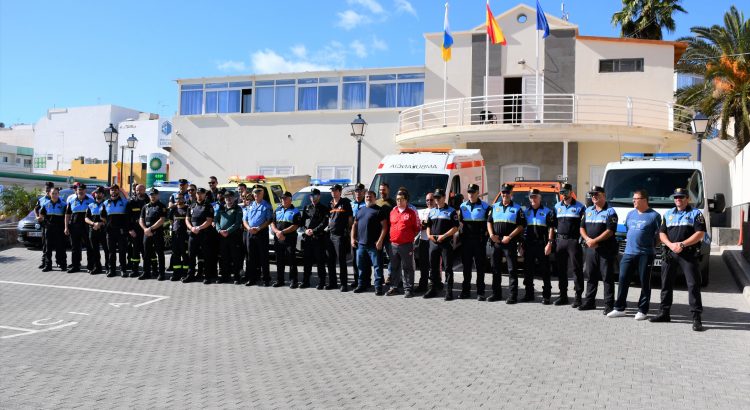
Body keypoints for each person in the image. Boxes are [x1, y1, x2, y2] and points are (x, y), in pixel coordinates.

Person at [650, 188, 707, 331]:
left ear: (687, 199)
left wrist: (682, 244)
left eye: (681, 197)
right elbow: (662, 233)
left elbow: (700, 233)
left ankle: (696, 318)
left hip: (688, 254)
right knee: (666, 284)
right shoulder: (668, 214)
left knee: (693, 285)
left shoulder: (696, 213)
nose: (678, 199)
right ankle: (664, 313)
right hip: (670, 253)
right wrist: (670, 245)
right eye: (676, 197)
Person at [608, 189, 661, 320]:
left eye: (636, 199)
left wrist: (651, 245)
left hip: (645, 254)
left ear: (644, 200)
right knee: (623, 279)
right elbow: (628, 230)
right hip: (628, 253)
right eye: (633, 199)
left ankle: (642, 310)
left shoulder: (654, 216)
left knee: (644, 282)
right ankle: (619, 308)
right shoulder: (630, 214)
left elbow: (660, 235)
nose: (633, 201)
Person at [579, 185, 618, 314]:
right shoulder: (588, 210)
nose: (594, 197)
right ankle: (589, 302)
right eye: (592, 194)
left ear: (604, 196)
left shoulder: (610, 211)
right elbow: (582, 228)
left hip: (605, 249)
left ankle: (609, 305)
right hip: (591, 249)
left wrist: (595, 241)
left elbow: (610, 231)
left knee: (607, 278)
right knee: (590, 276)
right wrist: (587, 240)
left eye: (597, 194)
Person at [487, 184, 526, 303]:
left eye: (507, 192)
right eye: (503, 192)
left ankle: (513, 296)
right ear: (501, 193)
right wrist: (491, 235)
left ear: (511, 194)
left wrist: (509, 237)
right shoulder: (494, 207)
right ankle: (496, 294)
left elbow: (521, 226)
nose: (505, 194)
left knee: (512, 269)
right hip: (496, 242)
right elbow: (489, 222)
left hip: (509, 242)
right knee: (495, 269)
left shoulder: (517, 208)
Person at [552, 183, 586, 306]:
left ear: (571, 192)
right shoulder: (556, 207)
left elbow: (585, 225)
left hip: (573, 241)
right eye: (562, 192)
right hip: (560, 241)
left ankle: (578, 297)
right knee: (561, 270)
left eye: (566, 192)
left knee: (577, 270)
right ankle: (563, 296)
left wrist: (582, 239)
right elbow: (553, 225)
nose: (564, 195)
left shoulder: (580, 207)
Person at [425, 188, 459, 301]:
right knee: (433, 267)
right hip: (433, 242)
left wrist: (444, 236)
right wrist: (429, 235)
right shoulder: (432, 211)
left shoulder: (451, 211)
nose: (437, 199)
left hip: (445, 243)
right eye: (435, 197)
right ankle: (433, 289)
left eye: (438, 197)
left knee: (448, 267)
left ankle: (449, 291)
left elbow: (455, 227)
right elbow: (428, 225)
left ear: (444, 197)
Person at [523, 188, 557, 304]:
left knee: (545, 271)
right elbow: (522, 229)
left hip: (542, 245)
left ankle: (546, 296)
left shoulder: (547, 211)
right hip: (529, 245)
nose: (533, 199)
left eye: (535, 196)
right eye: (531, 197)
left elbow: (551, 228)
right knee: (528, 271)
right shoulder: (526, 212)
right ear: (529, 198)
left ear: (540, 198)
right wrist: (521, 245)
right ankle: (529, 294)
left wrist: (549, 243)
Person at [351, 191, 388, 295]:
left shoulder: (379, 210)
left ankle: (378, 287)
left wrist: (380, 241)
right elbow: (354, 225)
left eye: (370, 197)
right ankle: (362, 285)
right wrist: (352, 238)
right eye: (367, 196)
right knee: (361, 266)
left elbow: (385, 227)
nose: (368, 198)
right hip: (361, 244)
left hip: (374, 245)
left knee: (377, 267)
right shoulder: (360, 210)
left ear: (375, 198)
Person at [458, 184, 490, 300]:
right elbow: (459, 223)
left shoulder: (485, 207)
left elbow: (489, 224)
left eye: (473, 192)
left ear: (478, 192)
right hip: (466, 242)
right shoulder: (462, 206)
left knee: (480, 268)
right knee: (466, 268)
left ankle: (480, 292)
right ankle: (465, 291)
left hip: (479, 242)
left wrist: (484, 238)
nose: (470, 194)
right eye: (469, 192)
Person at [387, 189, 421, 297]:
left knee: (407, 267)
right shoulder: (393, 212)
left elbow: (416, 229)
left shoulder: (411, 213)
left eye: (401, 199)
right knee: (394, 267)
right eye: (397, 199)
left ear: (406, 200)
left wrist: (408, 238)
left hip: (406, 245)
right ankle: (394, 287)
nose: (399, 201)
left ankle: (408, 289)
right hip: (393, 244)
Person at [271, 191, 303, 287]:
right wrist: (277, 232)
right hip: (278, 238)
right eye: (282, 198)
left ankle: (294, 281)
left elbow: (295, 225)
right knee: (279, 260)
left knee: (291, 260)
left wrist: (282, 232)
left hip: (290, 239)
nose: (283, 200)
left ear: (290, 199)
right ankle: (280, 280)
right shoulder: (277, 209)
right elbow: (272, 223)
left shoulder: (295, 211)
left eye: (285, 198)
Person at [184, 188, 215, 284]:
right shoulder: (192, 205)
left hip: (204, 234)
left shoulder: (208, 206)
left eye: (201, 193)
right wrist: (191, 228)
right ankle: (190, 275)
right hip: (193, 234)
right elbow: (187, 219)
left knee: (206, 256)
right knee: (191, 255)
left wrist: (199, 228)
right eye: (198, 193)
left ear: (205, 195)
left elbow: (209, 220)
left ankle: (207, 276)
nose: (199, 195)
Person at [244, 185, 273, 286]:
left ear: (263, 194)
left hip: (261, 233)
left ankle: (266, 279)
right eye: (255, 193)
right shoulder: (250, 205)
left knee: (263, 257)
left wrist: (259, 228)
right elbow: (245, 219)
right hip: (250, 233)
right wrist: (249, 228)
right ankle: (252, 279)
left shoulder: (267, 205)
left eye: (258, 192)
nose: (256, 194)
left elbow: (269, 220)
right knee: (251, 257)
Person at [301, 188, 330, 289]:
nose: (313, 198)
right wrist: (305, 230)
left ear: (319, 196)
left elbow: (324, 223)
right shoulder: (306, 208)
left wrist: (314, 231)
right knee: (307, 261)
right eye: (311, 196)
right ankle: (305, 282)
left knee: (320, 261)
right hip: (308, 239)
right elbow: (302, 222)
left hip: (318, 238)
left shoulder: (324, 209)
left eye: (315, 196)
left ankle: (322, 282)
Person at [326, 184, 353, 291]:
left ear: (340, 191)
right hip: (330, 235)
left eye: (335, 190)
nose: (333, 192)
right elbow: (329, 218)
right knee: (330, 260)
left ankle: (344, 284)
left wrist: (347, 230)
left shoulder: (345, 203)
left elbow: (350, 218)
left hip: (340, 236)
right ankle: (332, 283)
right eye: (332, 190)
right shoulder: (330, 204)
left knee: (341, 261)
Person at [215, 190, 244, 284]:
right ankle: (225, 276)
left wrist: (228, 231)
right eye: (227, 197)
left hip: (233, 236)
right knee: (224, 257)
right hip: (222, 236)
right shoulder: (221, 208)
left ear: (234, 198)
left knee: (235, 257)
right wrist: (219, 230)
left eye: (231, 197)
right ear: (224, 199)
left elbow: (237, 223)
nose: (229, 199)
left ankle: (236, 277)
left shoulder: (238, 209)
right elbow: (216, 220)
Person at [100, 184, 130, 277]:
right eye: (112, 190)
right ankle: (112, 270)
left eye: (116, 190)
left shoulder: (125, 202)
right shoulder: (105, 203)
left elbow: (128, 216)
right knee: (111, 252)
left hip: (121, 231)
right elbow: (102, 216)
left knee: (122, 251)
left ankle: (123, 270)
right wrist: (108, 224)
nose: (114, 191)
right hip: (110, 231)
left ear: (118, 191)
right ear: (110, 192)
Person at [64, 184, 94, 273]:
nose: (80, 191)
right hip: (74, 227)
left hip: (87, 228)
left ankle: (90, 266)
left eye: (82, 190)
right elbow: (67, 215)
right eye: (79, 190)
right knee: (75, 248)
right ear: (76, 191)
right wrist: (66, 227)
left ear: (85, 191)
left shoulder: (91, 201)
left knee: (89, 247)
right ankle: (75, 266)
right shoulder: (71, 201)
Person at [139, 188, 167, 280]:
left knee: (160, 253)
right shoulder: (145, 206)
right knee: (146, 254)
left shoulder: (161, 206)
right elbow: (141, 219)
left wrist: (150, 229)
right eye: (151, 195)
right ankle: (146, 272)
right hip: (147, 233)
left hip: (157, 233)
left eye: (154, 195)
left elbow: (162, 220)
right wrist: (145, 229)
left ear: (158, 195)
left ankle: (161, 273)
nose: (152, 196)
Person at [39, 187, 67, 272]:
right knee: (48, 248)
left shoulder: (64, 204)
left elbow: (66, 217)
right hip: (49, 229)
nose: (54, 195)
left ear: (59, 194)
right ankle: (48, 265)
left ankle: (62, 264)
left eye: (56, 193)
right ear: (50, 194)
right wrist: (45, 225)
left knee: (60, 247)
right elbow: (41, 216)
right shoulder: (45, 204)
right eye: (53, 193)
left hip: (60, 229)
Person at [85, 186, 110, 274]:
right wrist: (93, 223)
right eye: (96, 193)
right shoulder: (90, 205)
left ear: (103, 195)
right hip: (93, 230)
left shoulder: (107, 204)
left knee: (107, 250)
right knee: (94, 250)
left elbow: (110, 218)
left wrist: (101, 223)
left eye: (100, 193)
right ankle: (97, 268)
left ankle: (108, 267)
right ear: (94, 194)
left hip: (104, 231)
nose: (98, 194)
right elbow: (86, 218)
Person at [126, 184, 148, 277]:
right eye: (137, 190)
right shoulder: (131, 202)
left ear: (144, 190)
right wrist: (130, 229)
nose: (139, 192)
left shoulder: (149, 201)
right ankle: (135, 270)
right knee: (135, 251)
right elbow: (127, 217)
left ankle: (148, 270)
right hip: (135, 231)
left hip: (147, 231)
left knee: (147, 251)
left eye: (141, 190)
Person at [415, 192, 435, 293]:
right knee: (423, 265)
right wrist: (422, 226)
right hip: (423, 240)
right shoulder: (421, 212)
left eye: (431, 200)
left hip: (433, 241)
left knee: (433, 265)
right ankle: (422, 285)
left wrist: (427, 225)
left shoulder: (437, 211)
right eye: (427, 200)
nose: (429, 202)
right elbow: (417, 225)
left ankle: (434, 285)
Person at [376, 182, 396, 284]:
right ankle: (380, 277)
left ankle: (390, 276)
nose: (382, 192)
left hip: (390, 235)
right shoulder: (376, 202)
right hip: (378, 235)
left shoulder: (393, 203)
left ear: (388, 190)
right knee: (378, 257)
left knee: (391, 257)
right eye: (380, 190)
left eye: (384, 189)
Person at [168, 194, 189, 281]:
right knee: (176, 255)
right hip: (175, 235)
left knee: (185, 255)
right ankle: (176, 273)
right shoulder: (173, 209)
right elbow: (171, 221)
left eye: (180, 198)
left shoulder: (188, 208)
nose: (178, 200)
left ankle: (185, 274)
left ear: (184, 199)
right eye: (177, 198)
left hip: (185, 236)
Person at [34, 181, 55, 269]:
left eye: (49, 188)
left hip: (56, 226)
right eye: (46, 188)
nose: (47, 190)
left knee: (58, 245)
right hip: (45, 225)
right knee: (45, 245)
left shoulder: (57, 198)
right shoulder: (41, 199)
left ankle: (60, 262)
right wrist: (37, 216)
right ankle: (45, 262)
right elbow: (36, 209)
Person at [350, 184, 367, 288]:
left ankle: (366, 280)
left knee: (364, 259)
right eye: (356, 191)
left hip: (363, 234)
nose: (358, 193)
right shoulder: (351, 204)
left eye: (360, 191)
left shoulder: (366, 204)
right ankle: (357, 280)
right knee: (354, 259)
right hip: (353, 234)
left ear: (364, 192)